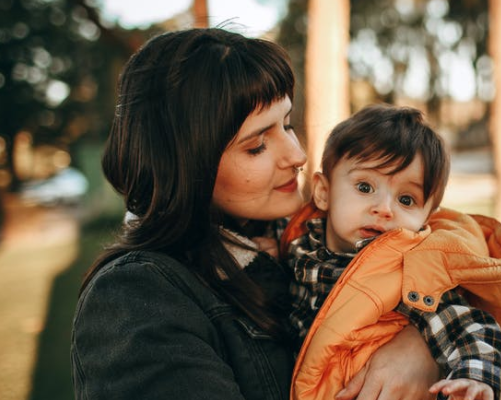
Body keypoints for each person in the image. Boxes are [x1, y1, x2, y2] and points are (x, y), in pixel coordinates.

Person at [70, 28, 451, 400]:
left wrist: (418, 345)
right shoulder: (137, 299)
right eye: (256, 146)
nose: (297, 156)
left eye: (287, 124)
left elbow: (459, 242)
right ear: (186, 167)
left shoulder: (299, 232)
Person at [277, 105, 501, 400]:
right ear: (324, 192)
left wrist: (473, 378)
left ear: (427, 216)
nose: (384, 208)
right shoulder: (301, 244)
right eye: (365, 187)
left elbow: (468, 325)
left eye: (406, 199)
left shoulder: (409, 271)